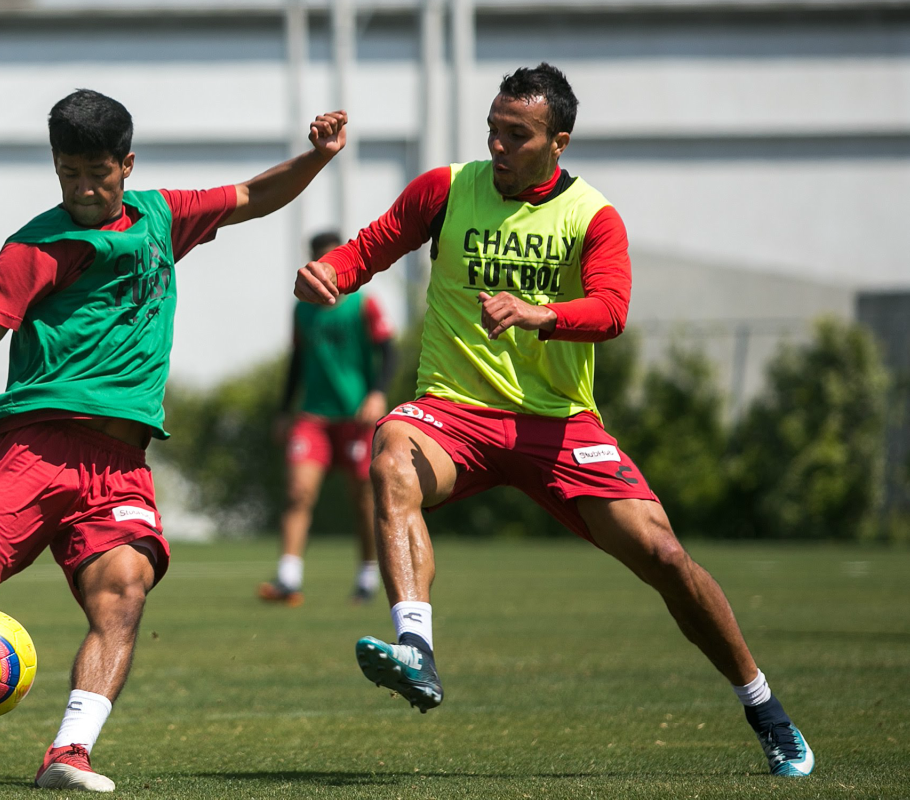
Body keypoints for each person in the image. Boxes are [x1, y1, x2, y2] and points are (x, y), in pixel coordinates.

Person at [293, 63, 814, 778]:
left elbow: (611, 312)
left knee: (665, 557)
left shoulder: (593, 217)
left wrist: (542, 314)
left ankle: (767, 710)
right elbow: (372, 245)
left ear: (557, 142)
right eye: (493, 130)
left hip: (559, 425)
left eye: (517, 134)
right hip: (453, 414)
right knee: (391, 455)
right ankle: (415, 648)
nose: (498, 146)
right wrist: (333, 273)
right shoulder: (445, 189)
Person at [0, 89, 346, 793]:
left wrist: (318, 158)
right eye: (69, 173)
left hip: (119, 466)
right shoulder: (35, 246)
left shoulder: (163, 217)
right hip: (36, 451)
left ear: (128, 164)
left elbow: (254, 196)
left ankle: (68, 754)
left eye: (98, 174)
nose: (84, 188)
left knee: (124, 592)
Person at [258, 230, 395, 607]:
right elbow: (297, 362)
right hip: (312, 418)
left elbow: (388, 352)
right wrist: (285, 411)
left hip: (355, 417)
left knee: (363, 498)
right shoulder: (302, 310)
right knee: (297, 492)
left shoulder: (364, 305)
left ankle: (368, 576)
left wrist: (376, 393)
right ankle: (288, 578)